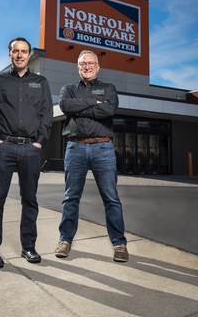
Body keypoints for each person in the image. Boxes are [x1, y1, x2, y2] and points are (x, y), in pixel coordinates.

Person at [0, 37, 53, 269]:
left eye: (24, 51)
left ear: (30, 54)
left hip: (31, 150)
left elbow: (46, 114)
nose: (20, 55)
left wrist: (40, 143)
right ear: (10, 54)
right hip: (5, 148)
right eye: (15, 51)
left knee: (30, 200)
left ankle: (29, 247)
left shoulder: (40, 82)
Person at [55, 50, 128, 262]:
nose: (86, 66)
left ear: (98, 66)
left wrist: (81, 107)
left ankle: (119, 244)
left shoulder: (108, 88)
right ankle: (65, 240)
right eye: (82, 64)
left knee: (111, 198)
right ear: (78, 67)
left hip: (103, 149)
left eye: (90, 63)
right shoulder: (68, 89)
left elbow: (109, 110)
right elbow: (65, 106)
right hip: (75, 148)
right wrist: (94, 103)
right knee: (70, 197)